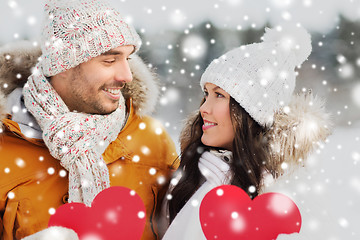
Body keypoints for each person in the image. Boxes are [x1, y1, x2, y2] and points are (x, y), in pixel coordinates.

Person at [0, 0, 178, 239]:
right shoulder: (6, 149)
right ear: (62, 65)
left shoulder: (152, 141)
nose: (127, 75)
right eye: (109, 60)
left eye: (128, 58)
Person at [158, 25, 332, 239]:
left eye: (219, 95)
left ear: (252, 112)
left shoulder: (284, 195)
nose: (204, 107)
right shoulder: (193, 177)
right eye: (206, 93)